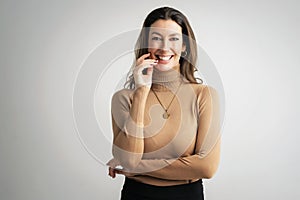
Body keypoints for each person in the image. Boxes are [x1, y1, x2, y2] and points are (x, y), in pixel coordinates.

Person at [106, 6, 221, 200]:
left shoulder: (204, 96)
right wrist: (142, 92)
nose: (164, 47)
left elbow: (207, 167)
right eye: (156, 38)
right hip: (137, 195)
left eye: (174, 39)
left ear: (184, 46)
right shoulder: (124, 98)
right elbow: (129, 159)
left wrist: (137, 166)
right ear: (146, 43)